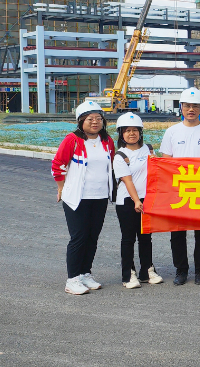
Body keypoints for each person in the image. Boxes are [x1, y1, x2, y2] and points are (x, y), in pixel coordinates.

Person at [51, 100, 116, 295]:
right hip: (77, 197)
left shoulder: (107, 141)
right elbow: (58, 165)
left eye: (98, 118)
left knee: (92, 237)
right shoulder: (72, 140)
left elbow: (113, 164)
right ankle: (72, 279)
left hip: (100, 196)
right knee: (79, 237)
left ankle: (85, 273)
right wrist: (61, 188)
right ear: (81, 121)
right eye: (90, 119)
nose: (95, 122)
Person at [162, 87, 200, 286]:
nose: (191, 109)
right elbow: (166, 161)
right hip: (179, 188)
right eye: (187, 106)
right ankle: (181, 270)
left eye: (195, 106)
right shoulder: (172, 132)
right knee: (177, 232)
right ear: (181, 108)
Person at [112, 112, 162, 288]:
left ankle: (147, 271)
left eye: (135, 130)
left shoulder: (148, 149)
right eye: (127, 131)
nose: (131, 134)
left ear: (140, 132)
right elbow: (127, 181)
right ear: (121, 134)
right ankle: (129, 274)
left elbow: (157, 170)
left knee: (145, 237)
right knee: (128, 239)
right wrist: (136, 201)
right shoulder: (120, 155)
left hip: (147, 199)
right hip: (128, 201)